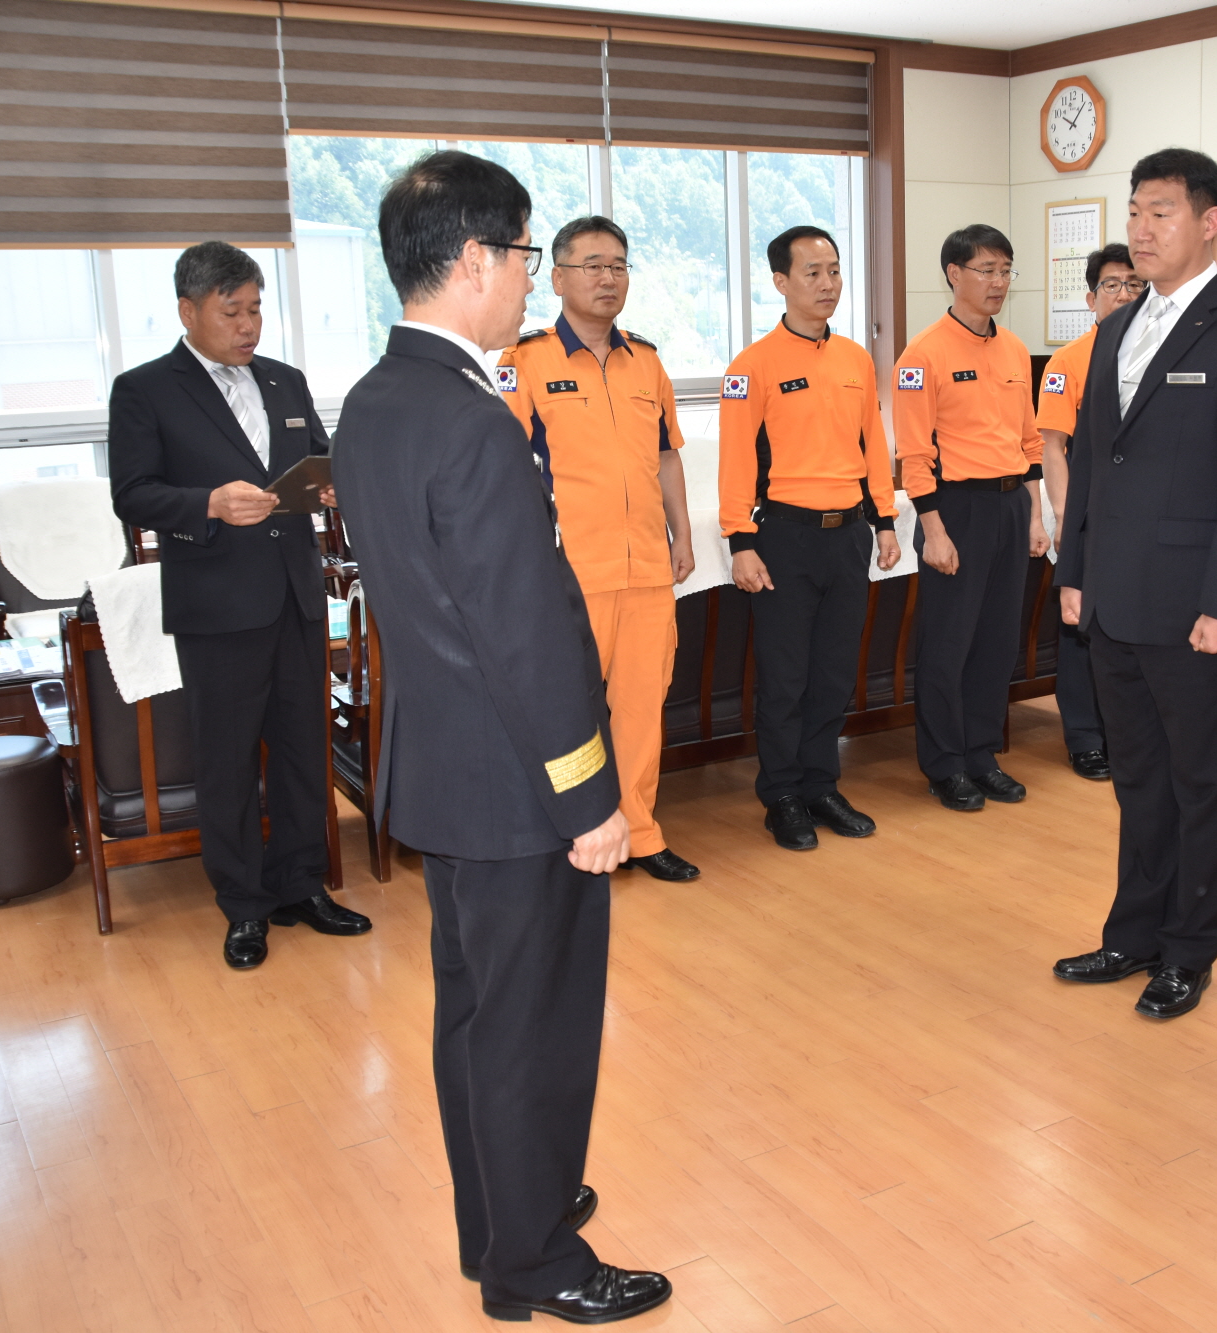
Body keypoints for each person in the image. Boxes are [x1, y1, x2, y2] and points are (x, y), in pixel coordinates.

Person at [330, 151, 670, 1323]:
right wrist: (589, 798)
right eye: (525, 254)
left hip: (447, 777)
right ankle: (533, 1262)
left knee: (477, 1016)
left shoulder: (377, 398)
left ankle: (501, 1212)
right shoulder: (473, 419)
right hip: (523, 789)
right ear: (474, 259)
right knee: (536, 1028)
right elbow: (525, 630)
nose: (531, 276)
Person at [1049, 149, 1217, 1020]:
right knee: (1139, 780)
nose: (1141, 229)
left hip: (1197, 607)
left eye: (1161, 212)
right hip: (1113, 599)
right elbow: (1094, 463)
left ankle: (1190, 949)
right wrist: (1075, 573)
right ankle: (1134, 933)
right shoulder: (1116, 328)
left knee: (1202, 785)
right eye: (1134, 212)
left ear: (1209, 221)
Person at [109, 241, 371, 970]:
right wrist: (208, 503)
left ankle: (301, 885)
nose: (249, 325)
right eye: (232, 312)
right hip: (216, 602)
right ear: (188, 311)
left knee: (302, 748)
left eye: (256, 309)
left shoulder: (285, 381)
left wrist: (330, 487)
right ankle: (244, 905)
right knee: (226, 761)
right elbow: (132, 493)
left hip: (295, 594)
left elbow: (318, 457)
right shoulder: (145, 389)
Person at [498, 216, 700, 883]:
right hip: (571, 573)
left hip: (646, 568)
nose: (607, 277)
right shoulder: (524, 362)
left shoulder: (647, 360)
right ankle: (572, 835)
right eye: (592, 266)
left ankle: (640, 833)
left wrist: (682, 534)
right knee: (569, 713)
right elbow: (506, 470)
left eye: (618, 265)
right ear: (557, 278)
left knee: (641, 708)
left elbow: (667, 456)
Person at [721, 225, 900, 851]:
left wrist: (884, 520)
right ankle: (783, 795)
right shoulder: (751, 367)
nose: (828, 284)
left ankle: (822, 784)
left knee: (833, 674)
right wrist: (740, 539)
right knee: (785, 678)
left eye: (835, 270)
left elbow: (872, 444)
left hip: (847, 536)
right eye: (813, 273)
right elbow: (737, 459)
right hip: (783, 540)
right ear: (781, 282)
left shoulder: (855, 359)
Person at [895, 224, 1048, 812]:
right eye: (987, 270)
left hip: (1011, 504)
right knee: (948, 644)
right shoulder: (922, 355)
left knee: (997, 640)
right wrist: (933, 531)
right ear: (954, 274)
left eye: (1006, 270)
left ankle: (982, 755)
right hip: (955, 509)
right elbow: (915, 455)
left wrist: (1035, 517)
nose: (998, 282)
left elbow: (1030, 442)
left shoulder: (1014, 349)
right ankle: (945, 765)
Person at [1037, 243, 1141, 780]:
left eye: (1135, 284)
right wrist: (1064, 518)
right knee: (1080, 626)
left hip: (1140, 518)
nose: (1124, 294)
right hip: (1086, 513)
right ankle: (1084, 738)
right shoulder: (1069, 361)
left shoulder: (1157, 351)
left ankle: (1125, 734)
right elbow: (1053, 446)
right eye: (1112, 285)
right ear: (1091, 296)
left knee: (1130, 627)